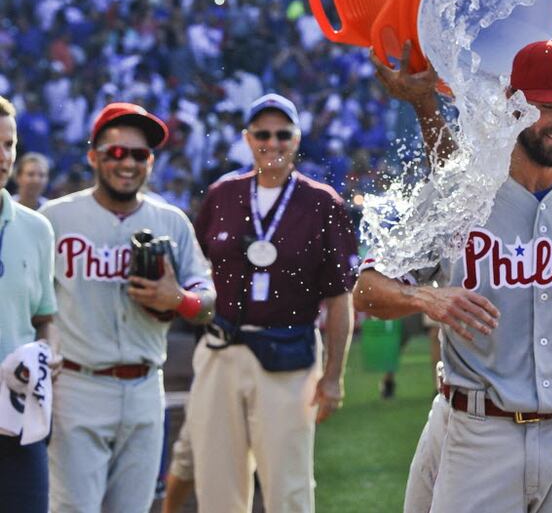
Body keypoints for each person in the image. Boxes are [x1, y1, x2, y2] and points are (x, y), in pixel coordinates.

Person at [355, 39, 552, 513]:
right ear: (512, 105)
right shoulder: (463, 193)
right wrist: (426, 299)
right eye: (547, 106)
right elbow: (366, 290)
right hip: (481, 432)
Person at [185, 93, 358, 513]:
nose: (272, 143)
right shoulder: (222, 194)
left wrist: (333, 376)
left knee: (288, 486)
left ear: (297, 139)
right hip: (221, 350)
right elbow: (195, 267)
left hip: (289, 356)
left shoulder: (322, 203)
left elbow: (339, 298)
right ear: (247, 138)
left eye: (283, 134)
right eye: (262, 134)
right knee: (216, 483)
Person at [39, 102, 216, 513]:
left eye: (140, 154)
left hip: (144, 389)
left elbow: (208, 303)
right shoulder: (54, 220)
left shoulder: (171, 221)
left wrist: (180, 301)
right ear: (94, 157)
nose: (128, 163)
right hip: (77, 385)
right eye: (117, 152)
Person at [0, 96, 58, 513]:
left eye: (8, 144)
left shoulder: (37, 229)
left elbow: (44, 317)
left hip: (18, 414)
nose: (3, 156)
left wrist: (48, 353)